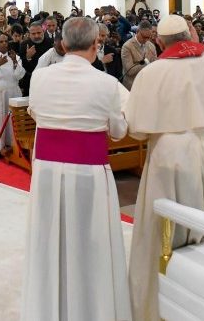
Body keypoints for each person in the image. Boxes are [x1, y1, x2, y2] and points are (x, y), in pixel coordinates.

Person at [125, 15, 204, 321]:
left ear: (160, 41)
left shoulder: (152, 73)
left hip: (174, 157)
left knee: (170, 234)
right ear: (190, 33)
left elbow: (138, 130)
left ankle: (166, 307)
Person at [22, 17, 131, 321]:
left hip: (46, 172)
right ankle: (93, 309)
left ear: (64, 44)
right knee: (90, 244)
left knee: (49, 240)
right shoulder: (107, 83)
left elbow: (35, 112)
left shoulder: (40, 78)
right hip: (89, 175)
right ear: (97, 45)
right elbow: (119, 131)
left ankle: (49, 307)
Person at [19, 22, 52, 96]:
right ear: (29, 34)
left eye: (39, 33)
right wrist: (28, 57)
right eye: (33, 34)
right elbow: (21, 68)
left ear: (43, 31)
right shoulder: (24, 45)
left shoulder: (50, 43)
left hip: (48, 81)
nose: (37, 36)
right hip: (31, 81)